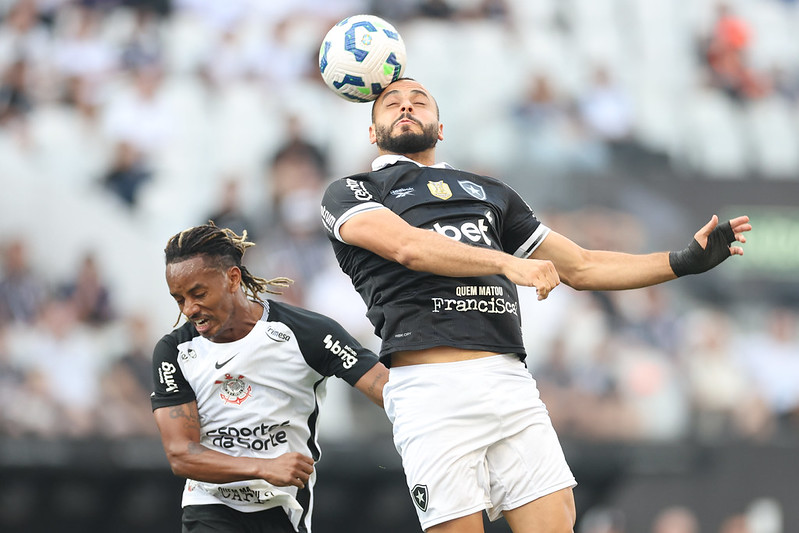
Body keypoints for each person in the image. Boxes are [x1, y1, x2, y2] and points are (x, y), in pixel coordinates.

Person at [319, 78, 752, 533]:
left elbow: (581, 266)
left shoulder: (489, 191)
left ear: (440, 127)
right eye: (391, 104)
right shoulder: (351, 191)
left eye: (418, 101)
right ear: (372, 132)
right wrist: (508, 264)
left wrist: (682, 261)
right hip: (430, 390)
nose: (406, 107)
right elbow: (409, 248)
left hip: (509, 382)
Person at [150, 223, 389, 533]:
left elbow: (387, 390)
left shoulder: (306, 333)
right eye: (179, 300)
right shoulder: (174, 351)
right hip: (210, 507)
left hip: (283, 510)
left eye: (198, 293)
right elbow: (181, 455)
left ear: (232, 278)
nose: (190, 309)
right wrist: (264, 468)